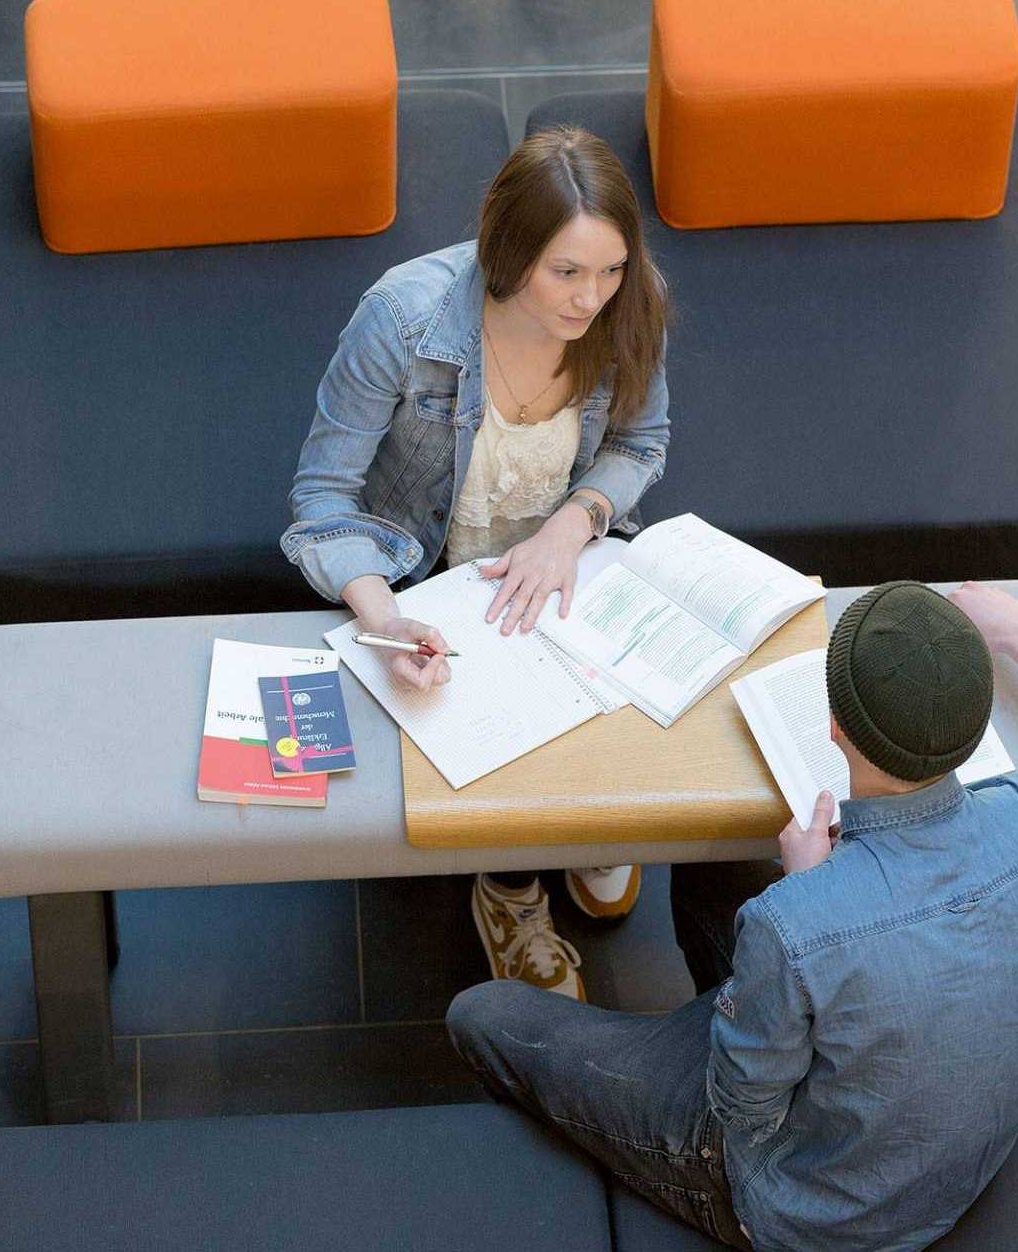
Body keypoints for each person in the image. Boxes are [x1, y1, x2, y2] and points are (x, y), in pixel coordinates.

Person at [447, 580, 1018, 1252]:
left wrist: (807, 900)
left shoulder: (797, 923)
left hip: (803, 1210)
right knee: (714, 877)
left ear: (834, 727)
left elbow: (744, 1111)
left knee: (482, 1014)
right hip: (953, 1164)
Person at [282, 126, 672, 1002]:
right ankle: (510, 889)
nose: (591, 300)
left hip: (565, 560)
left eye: (609, 271)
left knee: (615, 717)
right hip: (429, 575)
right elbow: (321, 499)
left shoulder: (628, 301)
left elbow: (642, 441)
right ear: (507, 252)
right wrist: (384, 620)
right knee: (492, 740)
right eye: (565, 273)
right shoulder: (403, 317)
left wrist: (572, 525)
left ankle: (581, 832)